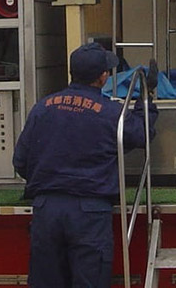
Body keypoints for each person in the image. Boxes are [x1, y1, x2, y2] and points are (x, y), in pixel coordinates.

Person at [12, 42, 158, 288]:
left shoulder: (42, 108)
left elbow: (20, 161)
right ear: (103, 77)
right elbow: (141, 134)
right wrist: (147, 97)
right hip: (89, 211)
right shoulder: (111, 113)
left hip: (47, 209)